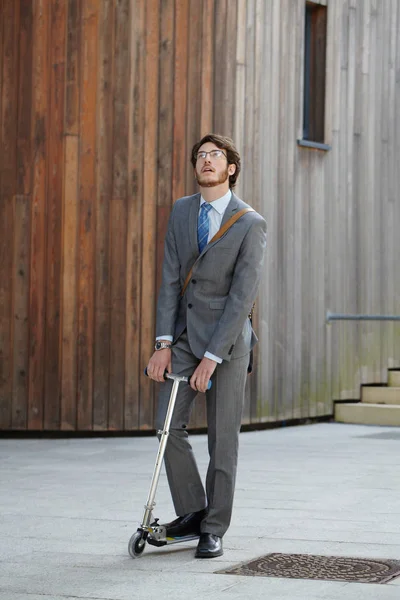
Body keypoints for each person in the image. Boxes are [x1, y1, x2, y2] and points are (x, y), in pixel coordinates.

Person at [146, 133, 267, 558]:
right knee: (166, 428)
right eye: (200, 155)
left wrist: (211, 360)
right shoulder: (182, 211)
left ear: (231, 168)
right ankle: (195, 512)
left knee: (222, 439)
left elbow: (241, 299)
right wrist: (163, 342)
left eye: (215, 155)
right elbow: (170, 280)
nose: (206, 161)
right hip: (183, 337)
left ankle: (214, 528)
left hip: (229, 345)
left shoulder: (250, 223)